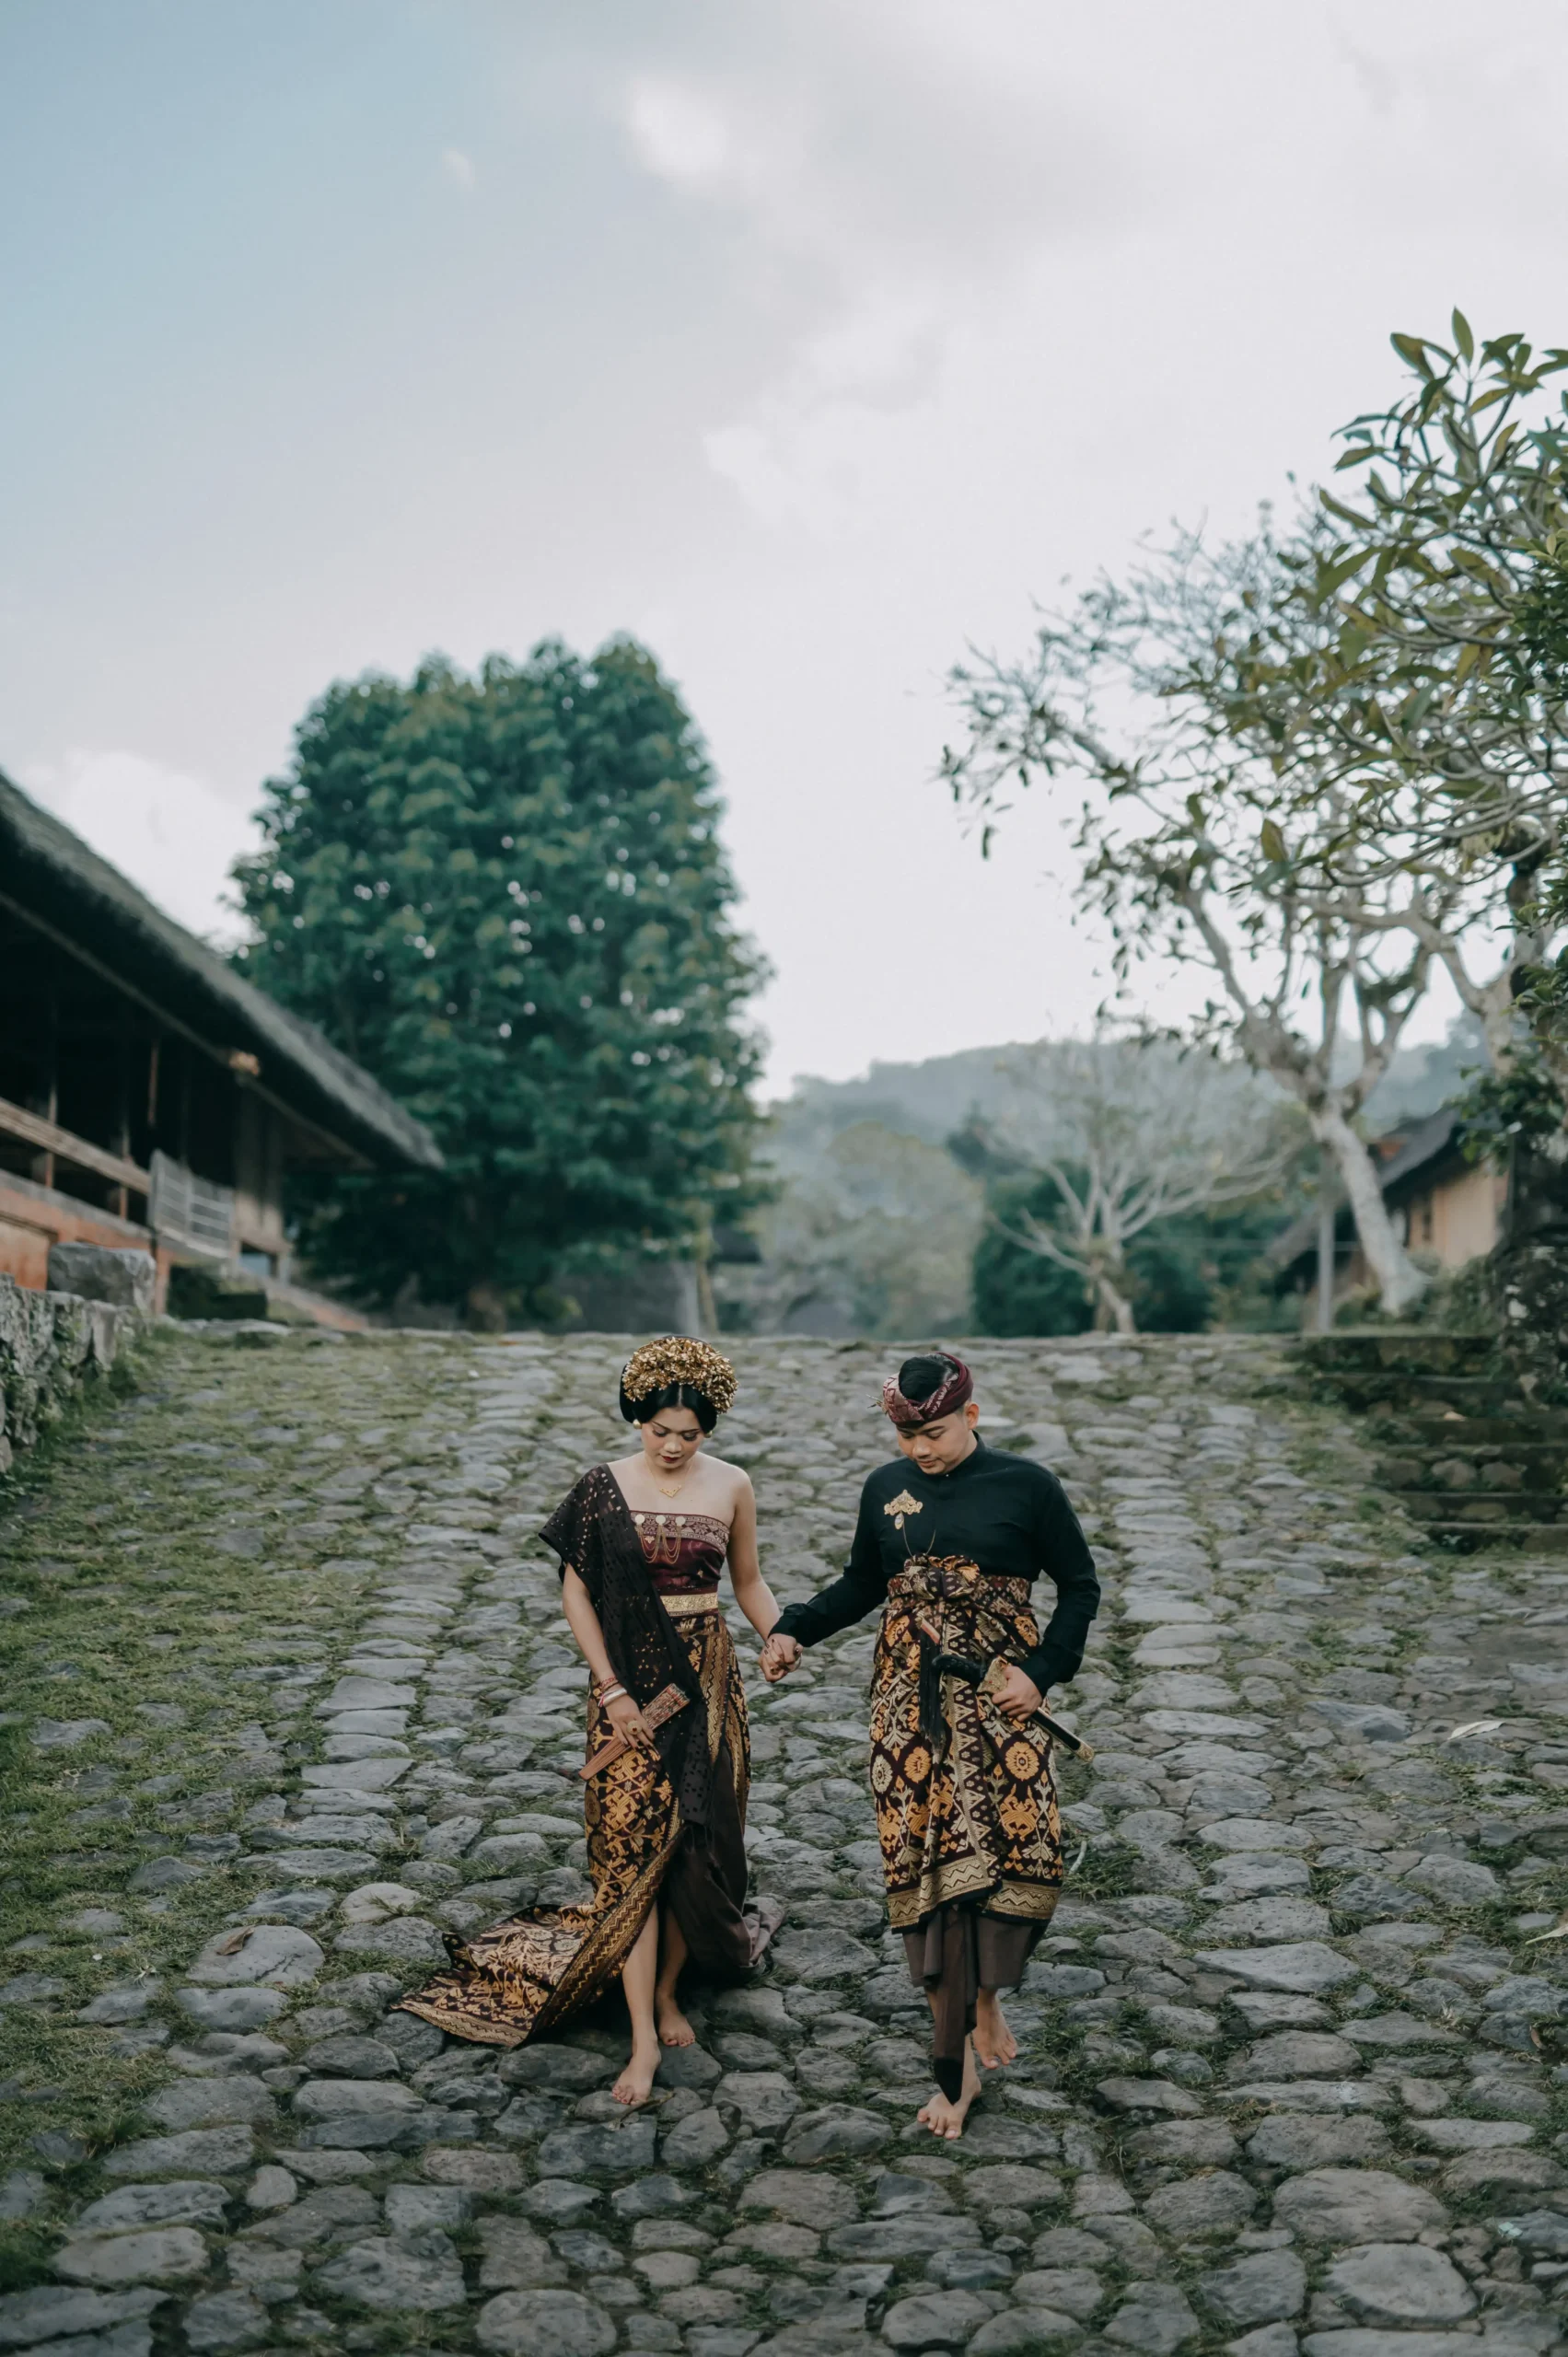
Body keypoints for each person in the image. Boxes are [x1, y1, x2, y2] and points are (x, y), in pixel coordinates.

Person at [400, 1336, 783, 2106]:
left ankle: (668, 1990)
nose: (672, 1446)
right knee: (629, 1853)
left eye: (689, 1435)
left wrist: (778, 1635)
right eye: (660, 1430)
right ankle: (642, 2036)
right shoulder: (601, 1488)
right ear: (637, 1419)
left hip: (706, 1684)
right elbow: (576, 1594)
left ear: (708, 1430)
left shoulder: (732, 1485)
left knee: (694, 1848)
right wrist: (611, 1690)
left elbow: (747, 1581)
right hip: (626, 1685)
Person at [761, 1349, 1098, 2140]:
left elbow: (1079, 1586)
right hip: (906, 1709)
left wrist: (1041, 1673)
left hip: (1000, 1699)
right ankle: (955, 2068)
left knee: (1024, 1854)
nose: (920, 1450)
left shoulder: (1027, 1486)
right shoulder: (885, 1488)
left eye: (935, 1434)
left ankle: (984, 2000)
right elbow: (861, 1582)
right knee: (930, 1869)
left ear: (970, 1416)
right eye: (907, 1437)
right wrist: (794, 1628)